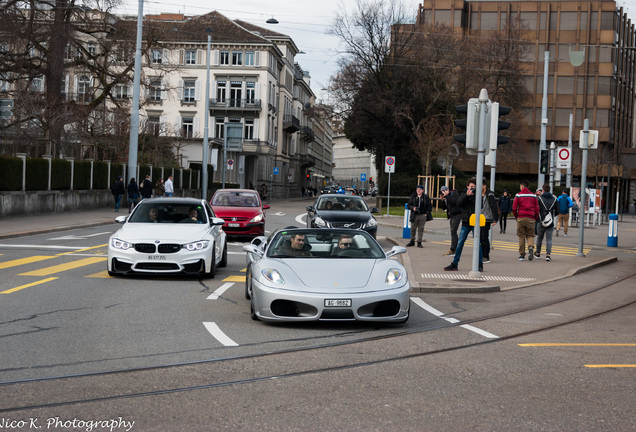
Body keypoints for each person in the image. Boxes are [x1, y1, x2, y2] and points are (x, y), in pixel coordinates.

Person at [444, 178, 484, 272]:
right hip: (465, 222)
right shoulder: (463, 194)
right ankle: (455, 264)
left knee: (478, 244)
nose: (472, 188)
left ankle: (480, 264)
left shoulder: (478, 195)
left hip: (475, 222)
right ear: (467, 187)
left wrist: (473, 196)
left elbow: (480, 206)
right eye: (471, 187)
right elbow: (459, 203)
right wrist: (467, 195)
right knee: (460, 244)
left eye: (474, 187)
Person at [512, 179, 539, 261]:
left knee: (521, 236)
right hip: (531, 217)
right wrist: (535, 217)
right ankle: (530, 247)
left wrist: (516, 216)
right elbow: (537, 208)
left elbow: (514, 208)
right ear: (528, 186)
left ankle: (522, 254)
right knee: (530, 235)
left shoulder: (518, 195)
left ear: (522, 186)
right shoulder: (534, 196)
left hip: (521, 217)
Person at [535, 184, 557, 262]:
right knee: (549, 239)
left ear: (543, 190)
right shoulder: (554, 199)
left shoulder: (539, 198)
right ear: (549, 190)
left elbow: (536, 209)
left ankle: (537, 252)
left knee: (539, 238)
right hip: (550, 221)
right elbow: (557, 210)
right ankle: (548, 255)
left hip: (540, 221)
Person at [479, 181, 499, 263]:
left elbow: (494, 207)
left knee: (484, 237)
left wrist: (495, 219)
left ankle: (486, 256)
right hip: (479, 218)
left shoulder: (489, 195)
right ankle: (481, 254)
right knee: (479, 237)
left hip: (487, 218)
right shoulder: (477, 194)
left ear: (484, 186)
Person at [439, 185, 461, 256]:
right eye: (442, 192)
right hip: (451, 215)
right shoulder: (447, 196)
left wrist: (447, 196)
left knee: (453, 231)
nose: (443, 193)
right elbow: (443, 208)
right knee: (453, 232)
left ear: (447, 190)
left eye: (444, 191)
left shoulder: (453, 193)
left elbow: (454, 202)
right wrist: (442, 200)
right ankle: (455, 249)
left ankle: (453, 250)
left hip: (457, 214)